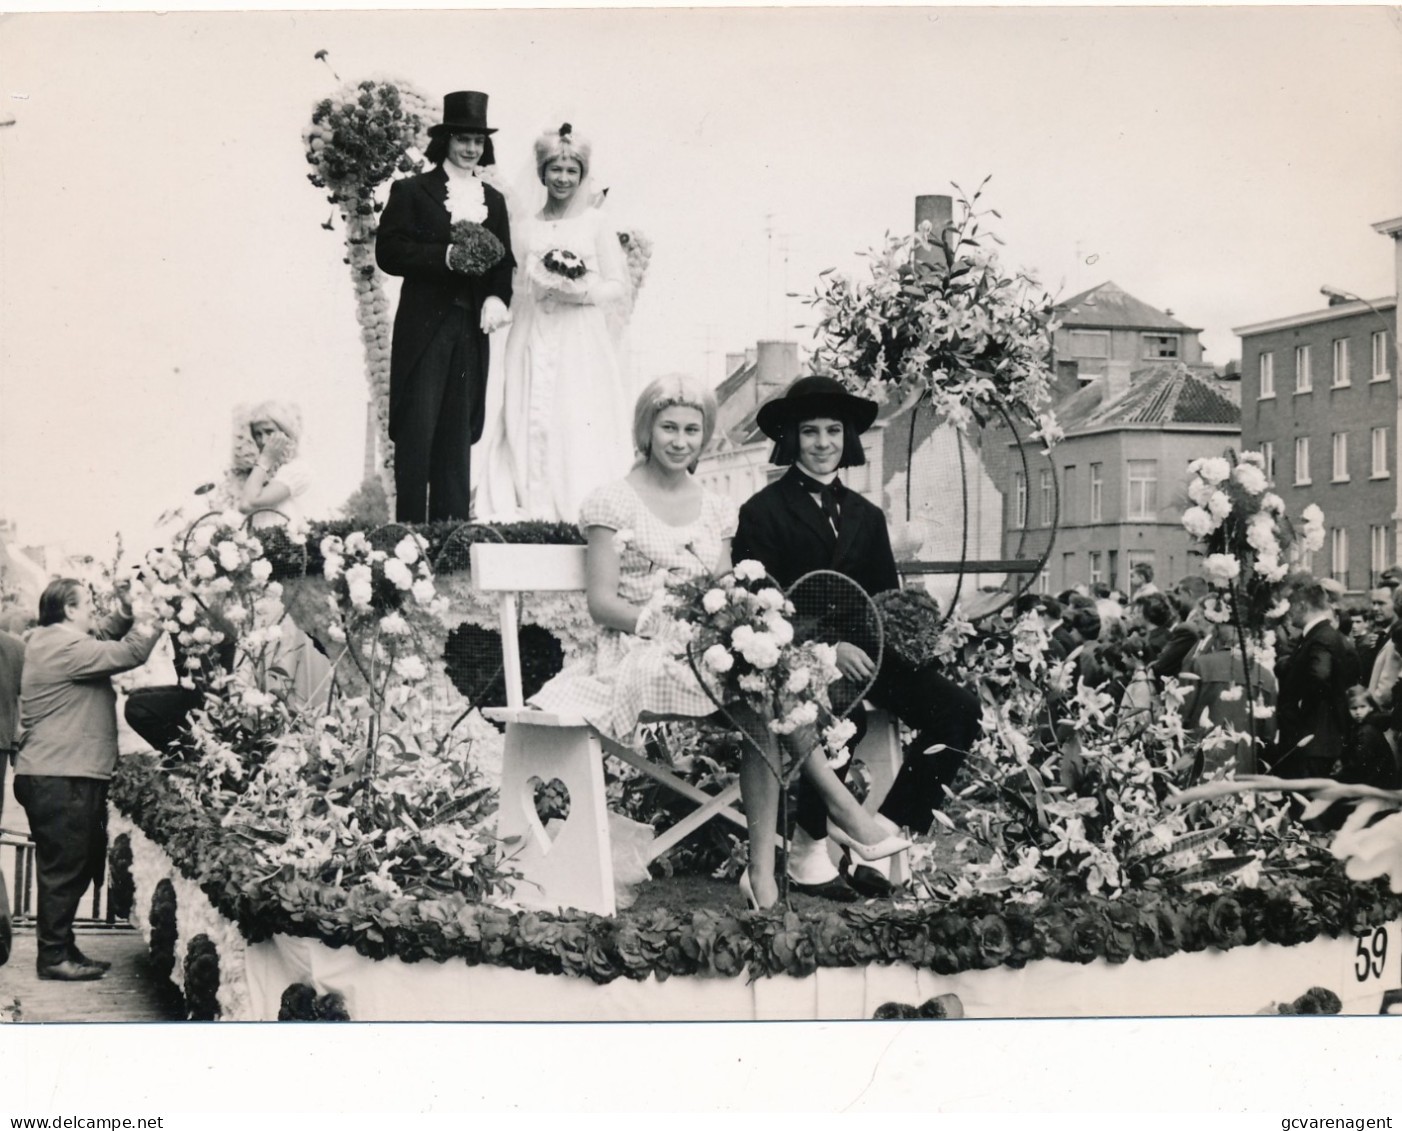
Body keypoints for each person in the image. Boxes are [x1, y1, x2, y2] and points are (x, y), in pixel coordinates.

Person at [529, 377, 904, 910]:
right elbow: (602, 604)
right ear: (646, 430)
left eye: (691, 430)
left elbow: (727, 591)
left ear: (704, 437)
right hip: (636, 648)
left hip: (705, 651)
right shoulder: (612, 501)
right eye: (668, 428)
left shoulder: (715, 507)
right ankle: (838, 815)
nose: (680, 441)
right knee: (761, 690)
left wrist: (733, 628)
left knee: (763, 681)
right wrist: (671, 627)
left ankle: (767, 871)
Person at [732, 376, 982, 899]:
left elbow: (884, 599)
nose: (823, 443)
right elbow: (758, 610)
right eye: (810, 432)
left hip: (870, 657)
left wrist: (906, 639)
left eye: (833, 431)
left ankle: (886, 827)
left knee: (957, 708)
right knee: (842, 709)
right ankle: (809, 850)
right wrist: (826, 652)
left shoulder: (868, 516)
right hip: (798, 664)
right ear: (792, 439)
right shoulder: (762, 511)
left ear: (847, 438)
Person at [475, 123, 632, 523]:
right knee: (527, 409)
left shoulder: (596, 224)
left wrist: (579, 291)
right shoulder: (524, 229)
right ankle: (530, 504)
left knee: (574, 413)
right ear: (542, 172)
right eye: (555, 170)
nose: (563, 179)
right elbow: (511, 281)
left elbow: (616, 284)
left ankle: (579, 508)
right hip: (531, 330)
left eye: (572, 171)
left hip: (578, 333)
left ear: (582, 175)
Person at [376, 90, 514, 523]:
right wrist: (445, 257)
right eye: (462, 139)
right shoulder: (412, 190)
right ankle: (409, 537)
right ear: (446, 141)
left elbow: (503, 260)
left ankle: (451, 542)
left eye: (478, 140)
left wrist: (496, 297)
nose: (471, 148)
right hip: (425, 328)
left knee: (457, 434)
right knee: (417, 430)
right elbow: (389, 251)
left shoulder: (494, 201)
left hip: (470, 329)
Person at [15, 579, 159, 980]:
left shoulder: (54, 640)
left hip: (62, 772)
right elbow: (131, 650)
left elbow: (103, 633)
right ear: (69, 611)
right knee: (65, 867)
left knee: (79, 860)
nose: (95, 609)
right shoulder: (63, 646)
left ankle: (61, 945)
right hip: (61, 774)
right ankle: (53, 957)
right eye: (89, 604)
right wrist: (160, 612)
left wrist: (128, 611)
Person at [1271, 578, 1353, 780]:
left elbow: (1319, 677)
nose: (1288, 611)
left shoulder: (1320, 637)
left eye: (1290, 606)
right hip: (1315, 741)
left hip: (1311, 741)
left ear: (1302, 606)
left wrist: (1300, 706)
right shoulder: (1320, 634)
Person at [1177, 619, 1278, 775]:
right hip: (1243, 764)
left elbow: (1182, 713)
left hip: (1200, 759)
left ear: (1216, 634)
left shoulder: (1200, 665)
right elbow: (1268, 732)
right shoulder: (1266, 676)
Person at [236, 401, 312, 529]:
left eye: (269, 432)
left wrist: (265, 459)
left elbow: (247, 503)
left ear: (285, 431)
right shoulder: (262, 471)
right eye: (258, 434)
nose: (263, 441)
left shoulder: (298, 469)